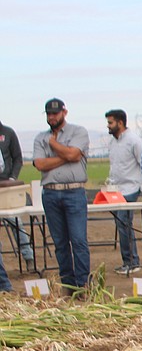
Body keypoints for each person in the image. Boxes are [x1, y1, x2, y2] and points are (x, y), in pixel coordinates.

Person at [33, 98, 90, 295]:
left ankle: (83, 285)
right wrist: (65, 156)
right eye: (49, 114)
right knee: (60, 242)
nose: (52, 117)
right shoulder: (40, 137)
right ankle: (68, 284)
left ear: (64, 113)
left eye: (55, 113)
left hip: (74, 191)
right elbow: (40, 165)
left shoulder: (78, 132)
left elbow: (75, 155)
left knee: (78, 240)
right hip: (50, 193)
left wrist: (54, 145)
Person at [104, 109, 142, 275]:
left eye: (110, 122)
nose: (108, 126)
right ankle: (126, 261)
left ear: (120, 123)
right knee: (120, 224)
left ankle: (133, 261)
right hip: (115, 189)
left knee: (124, 223)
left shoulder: (134, 141)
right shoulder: (112, 142)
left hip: (131, 188)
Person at [0, 117, 33, 268]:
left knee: (16, 222)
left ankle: (28, 256)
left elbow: (17, 158)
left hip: (7, 187)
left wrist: (13, 178)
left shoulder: (8, 133)